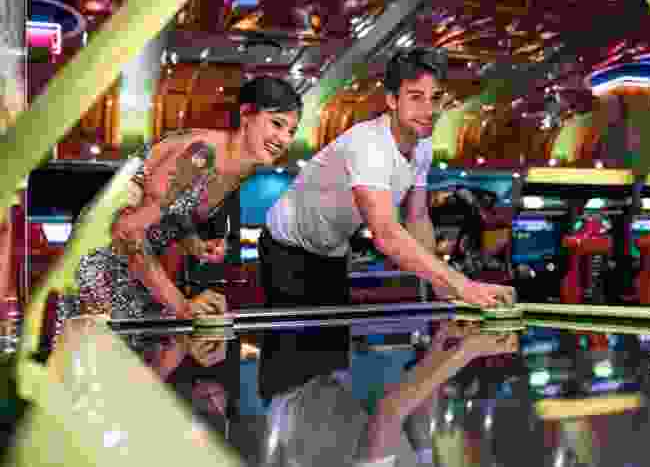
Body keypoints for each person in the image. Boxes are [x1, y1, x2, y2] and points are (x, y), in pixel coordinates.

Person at [258, 48, 516, 402]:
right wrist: (463, 285)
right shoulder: (369, 145)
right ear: (392, 100)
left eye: (436, 98)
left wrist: (445, 287)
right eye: (416, 97)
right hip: (285, 245)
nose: (429, 109)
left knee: (332, 356)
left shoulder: (422, 146)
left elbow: (417, 218)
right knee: (292, 362)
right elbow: (387, 235)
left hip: (332, 251)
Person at [75, 76, 302, 320]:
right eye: (277, 124)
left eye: (291, 131)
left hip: (135, 273)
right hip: (98, 271)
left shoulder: (242, 167)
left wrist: (194, 243)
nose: (284, 140)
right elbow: (127, 229)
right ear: (246, 114)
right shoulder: (201, 154)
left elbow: (171, 212)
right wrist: (181, 305)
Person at [263, 321, 520, 467]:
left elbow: (389, 412)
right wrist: (441, 349)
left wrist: (466, 351)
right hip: (329, 379)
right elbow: (416, 414)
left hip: (292, 391)